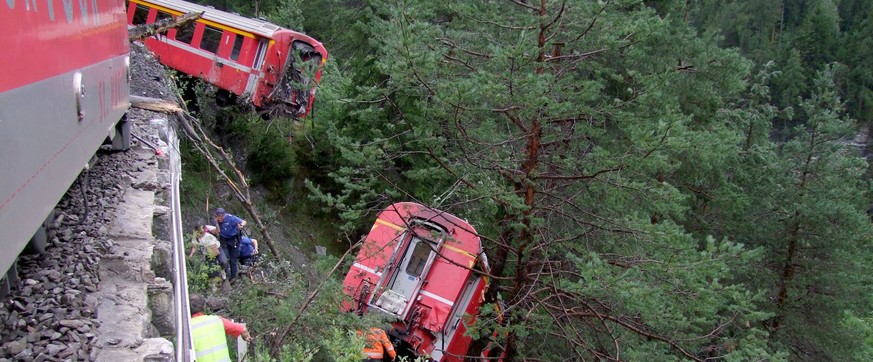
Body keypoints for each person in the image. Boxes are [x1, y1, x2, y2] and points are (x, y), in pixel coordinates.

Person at [189, 293, 251, 362]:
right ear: (204, 306)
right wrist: (246, 337)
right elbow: (243, 329)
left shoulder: (187, 328)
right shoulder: (217, 320)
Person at [210, 208, 246, 281]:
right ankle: (226, 275)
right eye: (218, 216)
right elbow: (215, 231)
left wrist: (241, 225)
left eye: (221, 217)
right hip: (223, 241)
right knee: (224, 258)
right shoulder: (214, 221)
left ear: (224, 215)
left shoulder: (231, 218)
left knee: (233, 259)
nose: (220, 218)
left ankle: (233, 277)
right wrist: (216, 223)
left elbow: (243, 221)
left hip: (234, 240)